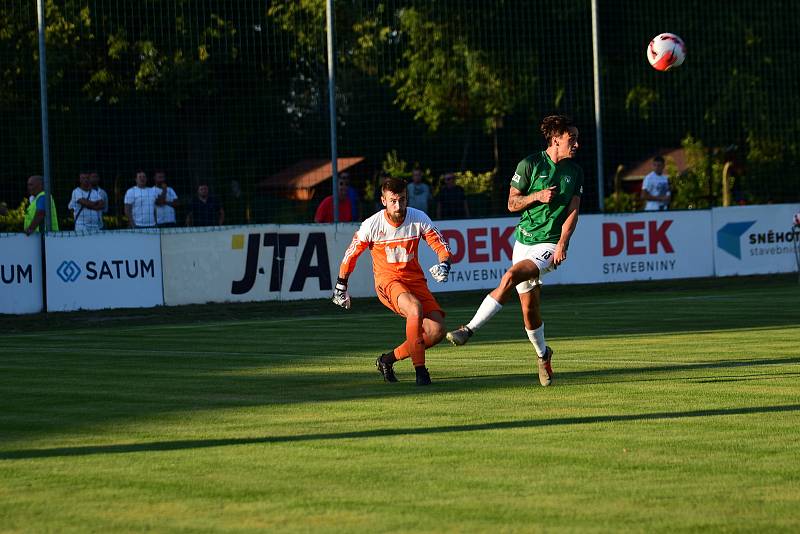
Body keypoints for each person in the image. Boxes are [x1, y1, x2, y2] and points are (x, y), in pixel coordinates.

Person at [446, 115, 584, 387]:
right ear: (556, 139)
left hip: (548, 245)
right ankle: (543, 355)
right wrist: (537, 196)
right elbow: (511, 203)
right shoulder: (530, 164)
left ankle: (468, 329)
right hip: (523, 242)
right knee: (530, 310)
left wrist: (562, 243)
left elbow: (573, 212)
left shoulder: (575, 171)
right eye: (572, 139)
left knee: (509, 277)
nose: (577, 144)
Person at [332, 176, 452, 386]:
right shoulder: (371, 224)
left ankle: (387, 360)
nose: (399, 206)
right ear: (383, 200)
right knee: (414, 309)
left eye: (403, 200)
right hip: (388, 282)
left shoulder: (418, 217)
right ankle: (421, 372)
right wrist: (341, 284)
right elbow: (351, 255)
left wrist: (444, 263)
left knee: (436, 332)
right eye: (393, 201)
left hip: (415, 282)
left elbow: (440, 244)